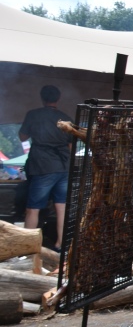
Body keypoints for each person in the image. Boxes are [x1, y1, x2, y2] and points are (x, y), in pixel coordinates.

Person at [18, 85, 72, 252]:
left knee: (32, 209)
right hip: (63, 167)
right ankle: (61, 244)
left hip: (42, 166)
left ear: (42, 98)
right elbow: (70, 146)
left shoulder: (33, 115)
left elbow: (22, 136)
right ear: (58, 99)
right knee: (61, 207)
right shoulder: (65, 118)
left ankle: (27, 248)